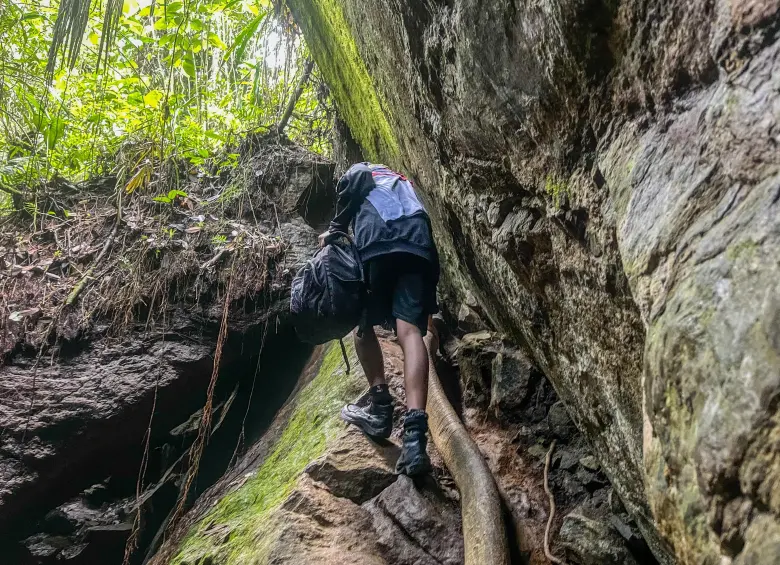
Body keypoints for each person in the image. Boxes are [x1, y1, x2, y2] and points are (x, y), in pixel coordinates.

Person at [319, 162, 439, 476]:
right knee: (410, 332)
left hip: (381, 240)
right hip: (418, 243)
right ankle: (414, 440)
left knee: (362, 327)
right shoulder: (401, 181)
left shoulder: (363, 169)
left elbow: (355, 180)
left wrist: (335, 229)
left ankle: (380, 409)